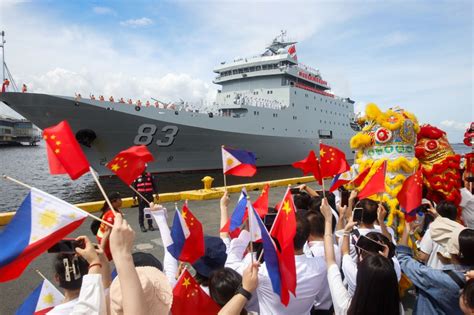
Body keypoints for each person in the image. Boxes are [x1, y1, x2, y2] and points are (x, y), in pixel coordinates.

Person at [321, 198, 401, 315]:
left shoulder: (346, 306)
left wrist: (329, 220)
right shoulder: (397, 308)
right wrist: (381, 221)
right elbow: (391, 256)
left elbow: (334, 258)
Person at [397, 217, 473, 314]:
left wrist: (406, 231)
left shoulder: (438, 278)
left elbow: (403, 259)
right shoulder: (470, 276)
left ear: (453, 252)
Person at [418, 200, 458, 269]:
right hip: (453, 276)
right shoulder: (460, 232)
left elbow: (422, 257)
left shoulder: (432, 230)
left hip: (433, 274)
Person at [96, 192, 123, 260]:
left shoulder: (113, 210)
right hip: (106, 239)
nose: (121, 201)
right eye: (120, 199)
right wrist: (102, 248)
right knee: (105, 258)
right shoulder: (112, 214)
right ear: (114, 202)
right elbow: (107, 231)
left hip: (104, 236)